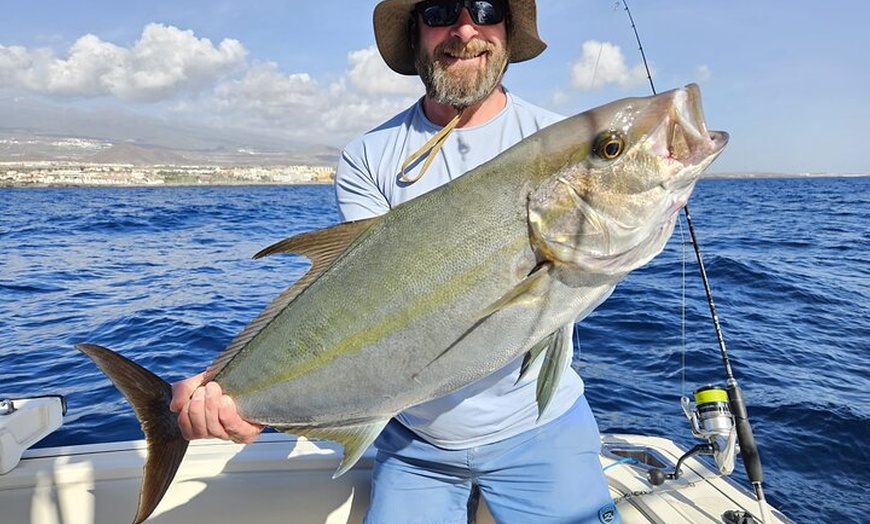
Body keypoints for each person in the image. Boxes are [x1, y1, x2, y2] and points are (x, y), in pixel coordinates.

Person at [171, 1, 620, 523]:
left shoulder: (564, 141)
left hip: (544, 426)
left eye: (486, 7)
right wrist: (231, 388)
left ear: (508, 30)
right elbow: (362, 302)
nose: (465, 29)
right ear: (415, 36)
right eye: (440, 12)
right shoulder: (370, 156)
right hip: (412, 440)